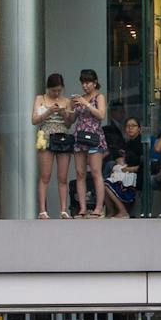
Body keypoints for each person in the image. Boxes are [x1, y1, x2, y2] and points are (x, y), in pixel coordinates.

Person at [33, 73, 73, 219]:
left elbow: (69, 123)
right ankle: (43, 210)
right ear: (48, 88)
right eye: (53, 90)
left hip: (62, 136)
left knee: (62, 177)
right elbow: (35, 119)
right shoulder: (40, 99)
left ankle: (63, 209)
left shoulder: (67, 101)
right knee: (45, 175)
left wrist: (64, 113)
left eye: (58, 90)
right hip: (46, 136)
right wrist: (49, 111)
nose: (56, 93)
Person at [70, 71, 108, 218]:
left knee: (96, 172)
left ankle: (99, 207)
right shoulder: (80, 98)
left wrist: (86, 103)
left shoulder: (99, 97)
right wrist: (71, 107)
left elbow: (101, 115)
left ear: (95, 82)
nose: (85, 86)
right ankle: (82, 208)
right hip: (79, 136)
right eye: (83, 83)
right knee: (80, 173)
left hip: (93, 136)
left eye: (88, 82)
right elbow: (72, 120)